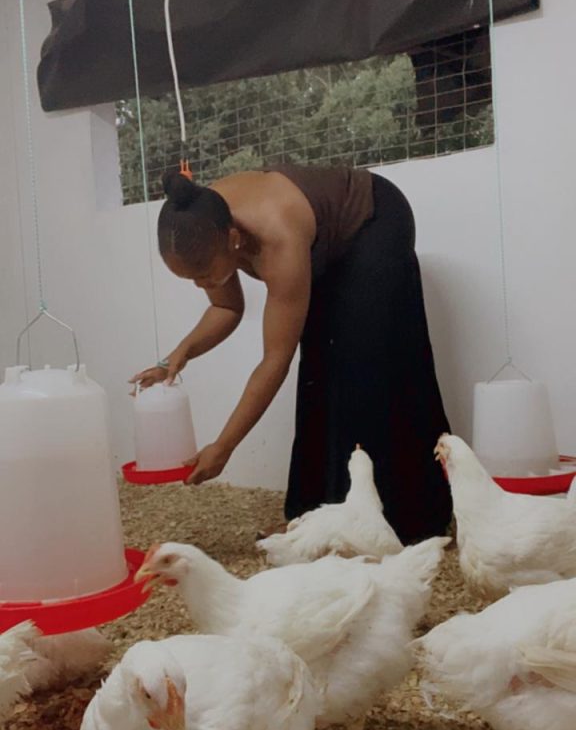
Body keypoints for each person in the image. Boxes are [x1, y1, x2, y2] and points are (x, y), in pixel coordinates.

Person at [131, 162, 452, 544]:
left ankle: (403, 523)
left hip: (374, 220)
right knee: (318, 370)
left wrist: (224, 446)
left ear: (233, 239)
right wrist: (177, 355)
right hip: (319, 237)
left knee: (365, 369)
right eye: (191, 279)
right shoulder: (202, 223)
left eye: (204, 275)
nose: (202, 285)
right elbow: (226, 307)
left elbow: (275, 360)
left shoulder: (277, 236)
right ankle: (312, 521)